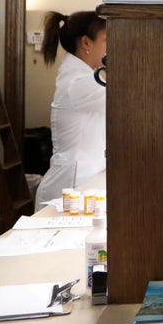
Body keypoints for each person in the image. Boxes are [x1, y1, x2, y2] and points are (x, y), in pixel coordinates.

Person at [34, 11, 107, 207]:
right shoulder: (79, 83)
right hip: (72, 185)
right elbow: (127, 100)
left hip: (82, 180)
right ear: (85, 43)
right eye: (107, 40)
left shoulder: (83, 77)